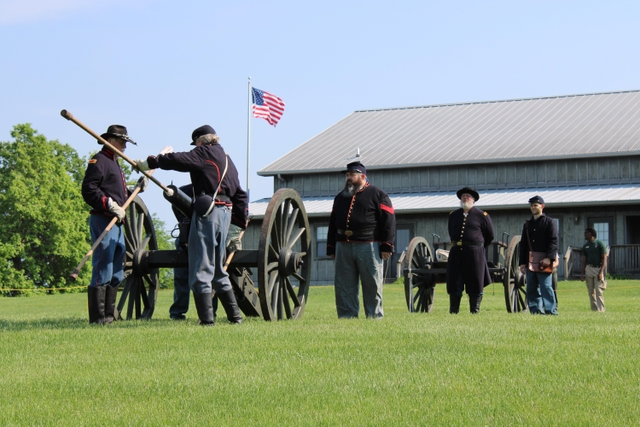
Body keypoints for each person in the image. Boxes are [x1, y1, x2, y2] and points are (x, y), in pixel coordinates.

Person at [138, 125, 248, 325]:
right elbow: (240, 194)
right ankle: (235, 318)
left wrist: (152, 161)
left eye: (195, 144)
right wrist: (239, 224)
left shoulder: (204, 152)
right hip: (225, 214)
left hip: (208, 214)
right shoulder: (226, 158)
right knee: (217, 271)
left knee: (201, 270)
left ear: (200, 141)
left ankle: (207, 321)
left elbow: (179, 159)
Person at [81, 124, 148, 324]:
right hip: (103, 218)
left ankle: (109, 316)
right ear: (110, 141)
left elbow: (118, 193)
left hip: (117, 221)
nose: (124, 146)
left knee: (117, 270)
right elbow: (89, 189)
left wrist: (134, 190)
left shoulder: (115, 163)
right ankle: (98, 319)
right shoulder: (99, 160)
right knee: (103, 267)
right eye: (121, 142)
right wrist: (108, 204)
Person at [326, 161, 395, 319]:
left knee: (372, 283)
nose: (348, 178)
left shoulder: (378, 194)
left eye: (352, 175)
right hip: (343, 246)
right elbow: (332, 223)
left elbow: (389, 221)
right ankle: (347, 317)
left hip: (369, 245)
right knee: (344, 285)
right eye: (347, 175)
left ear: (363, 176)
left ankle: (374, 316)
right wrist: (331, 247)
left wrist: (387, 245)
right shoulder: (340, 197)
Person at [446, 187, 494, 314]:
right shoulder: (453, 215)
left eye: (468, 196)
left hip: (474, 253)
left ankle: (475, 310)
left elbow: (489, 236)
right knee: (455, 281)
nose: (465, 197)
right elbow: (451, 232)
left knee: (475, 282)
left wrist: (477, 247)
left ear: (473, 200)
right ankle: (453, 311)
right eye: (463, 196)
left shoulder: (482, 216)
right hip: (457, 253)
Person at [518, 195, 559, 315]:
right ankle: (535, 310)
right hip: (530, 262)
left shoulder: (550, 222)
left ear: (542, 206)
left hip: (545, 260)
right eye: (531, 206)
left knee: (546, 287)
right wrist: (522, 263)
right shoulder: (527, 224)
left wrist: (549, 258)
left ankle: (551, 310)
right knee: (531, 287)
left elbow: (554, 241)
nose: (533, 208)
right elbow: (523, 245)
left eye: (535, 205)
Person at [580, 227, 608, 312]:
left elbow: (604, 259)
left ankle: (601, 310)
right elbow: (584, 261)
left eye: (586, 233)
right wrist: (582, 273)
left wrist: (601, 272)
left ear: (591, 234)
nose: (584, 234)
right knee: (591, 291)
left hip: (598, 268)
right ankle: (594, 309)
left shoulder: (600, 244)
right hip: (589, 269)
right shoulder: (585, 246)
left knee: (599, 290)